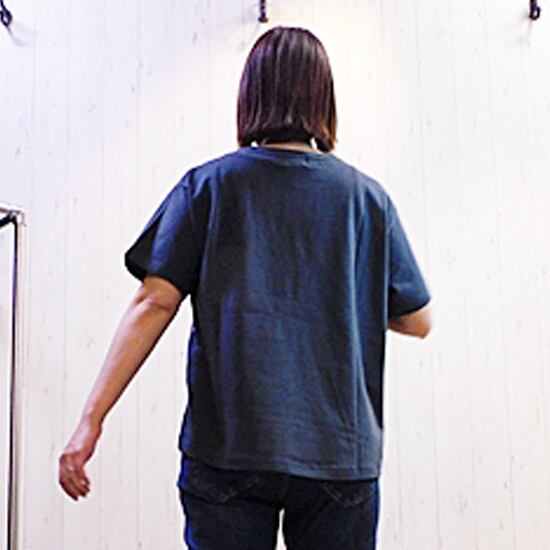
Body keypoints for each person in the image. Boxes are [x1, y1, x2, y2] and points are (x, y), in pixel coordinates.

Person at [58, 25, 432, 549]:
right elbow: (418, 320)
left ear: (251, 95)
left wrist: (90, 422)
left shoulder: (208, 187)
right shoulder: (367, 200)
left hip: (229, 449)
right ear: (324, 100)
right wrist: (344, 293)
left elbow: (153, 303)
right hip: (338, 456)